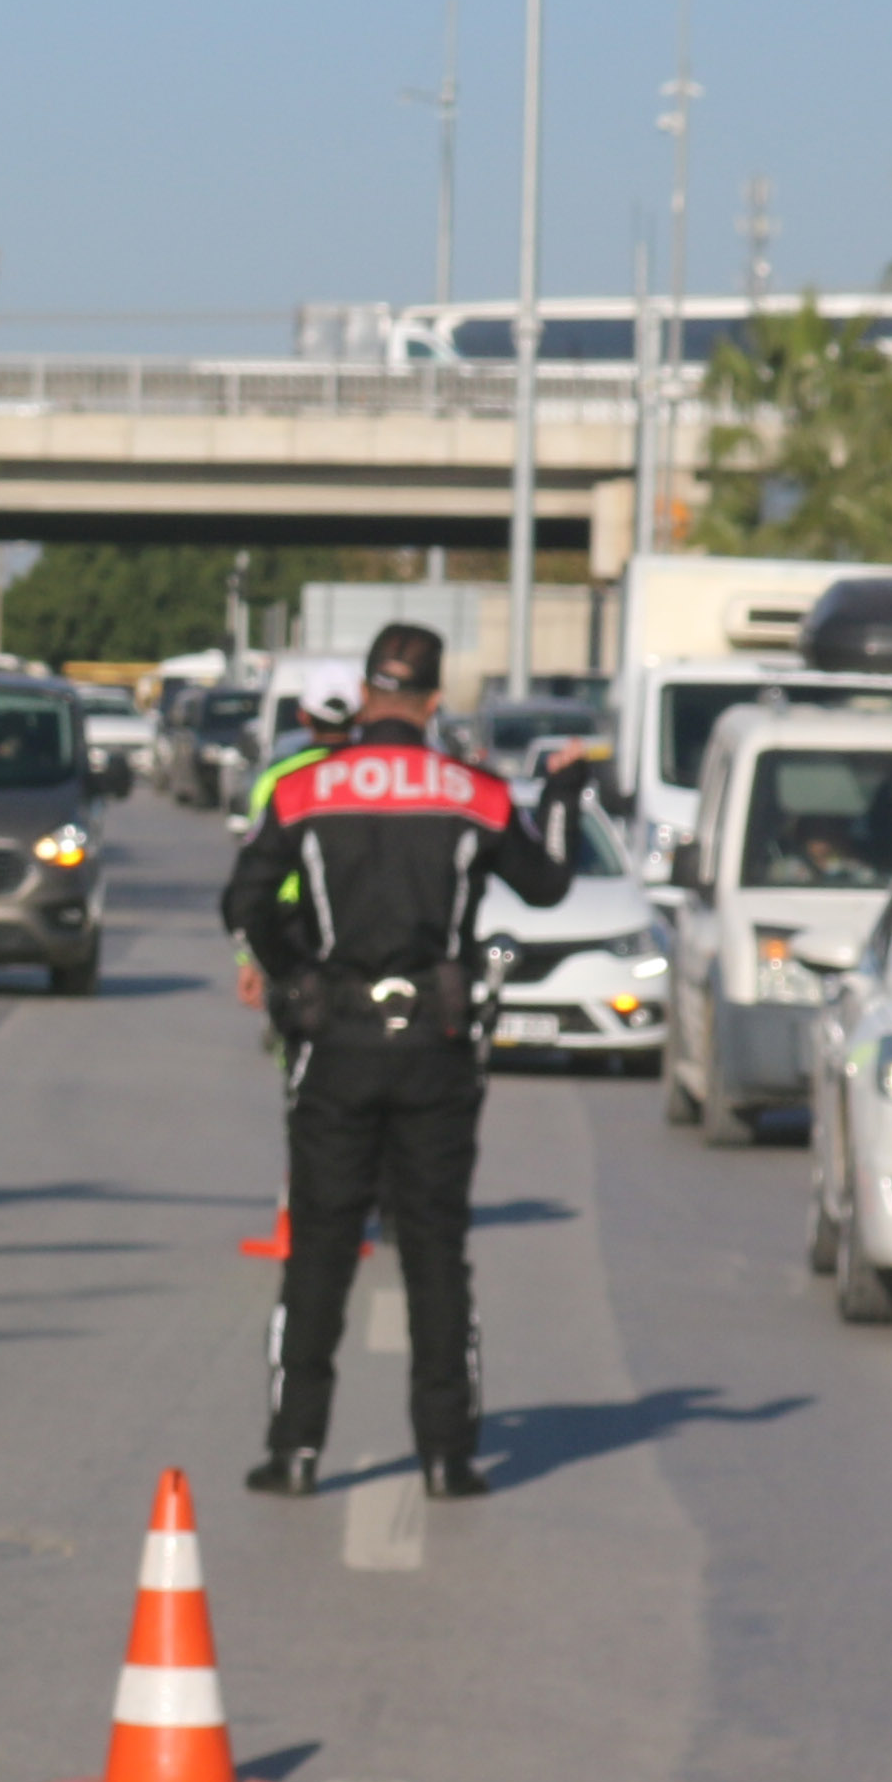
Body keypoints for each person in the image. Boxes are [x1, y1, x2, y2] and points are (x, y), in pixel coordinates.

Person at [221, 625, 578, 1503]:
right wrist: (565, 794)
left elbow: (243, 901)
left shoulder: (307, 789)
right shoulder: (475, 794)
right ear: (430, 701)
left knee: (320, 1249)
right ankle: (447, 1459)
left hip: (335, 1045)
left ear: (367, 694)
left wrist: (295, 972)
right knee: (434, 1251)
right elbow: (548, 884)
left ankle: (296, 1451)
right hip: (435, 1048)